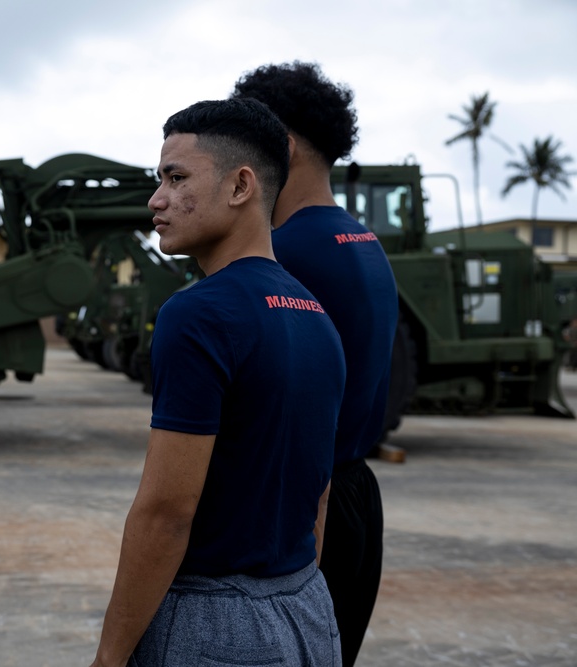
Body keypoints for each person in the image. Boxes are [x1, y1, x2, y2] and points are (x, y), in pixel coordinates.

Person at [90, 98, 346, 667]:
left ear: (240, 186)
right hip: (309, 609)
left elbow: (166, 512)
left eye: (176, 178)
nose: (156, 199)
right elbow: (318, 497)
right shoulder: (316, 316)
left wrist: (109, 657)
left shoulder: (199, 315)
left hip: (216, 628)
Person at [233, 61, 400, 667]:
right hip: (360, 498)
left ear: (283, 145)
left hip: (303, 510)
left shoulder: (284, 252)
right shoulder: (365, 242)